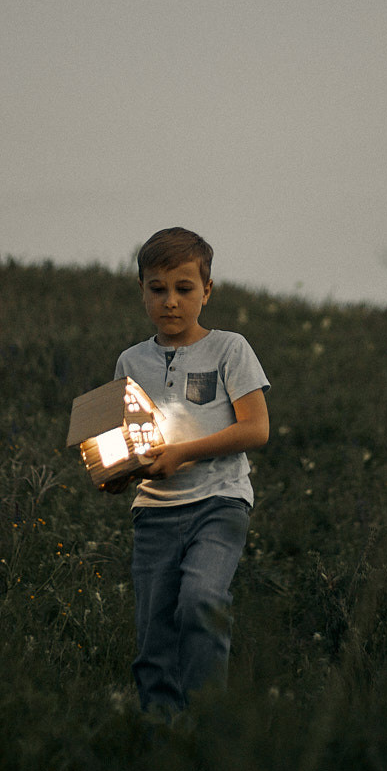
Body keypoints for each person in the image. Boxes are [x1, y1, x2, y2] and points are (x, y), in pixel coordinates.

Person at [111, 227, 269, 714]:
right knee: (154, 638)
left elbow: (256, 429)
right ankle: (163, 747)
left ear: (207, 290)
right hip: (154, 513)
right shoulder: (130, 362)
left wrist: (184, 453)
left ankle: (208, 727)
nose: (171, 302)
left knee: (201, 601)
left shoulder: (229, 349)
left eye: (184, 288)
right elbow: (127, 442)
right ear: (142, 290)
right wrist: (116, 471)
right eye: (157, 289)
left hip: (219, 504)